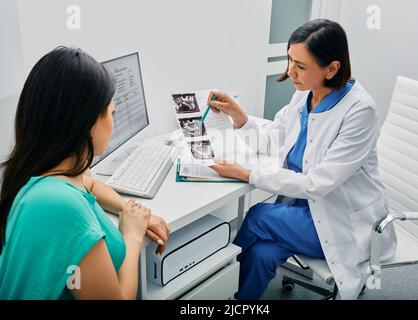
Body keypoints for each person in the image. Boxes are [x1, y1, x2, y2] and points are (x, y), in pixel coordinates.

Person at [208, 19, 397, 300]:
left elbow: (317, 184)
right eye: (290, 60)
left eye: (300, 66)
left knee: (259, 215)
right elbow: (274, 137)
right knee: (261, 254)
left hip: (340, 220)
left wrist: (246, 174)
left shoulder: (360, 111)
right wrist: (239, 116)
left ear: (331, 69)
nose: (290, 71)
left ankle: (217, 282)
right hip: (301, 208)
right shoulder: (305, 95)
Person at [0, 47, 170, 299]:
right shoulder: (63, 209)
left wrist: (127, 209)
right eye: (112, 113)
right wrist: (132, 235)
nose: (114, 122)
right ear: (88, 123)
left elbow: (87, 185)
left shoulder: (39, 175)